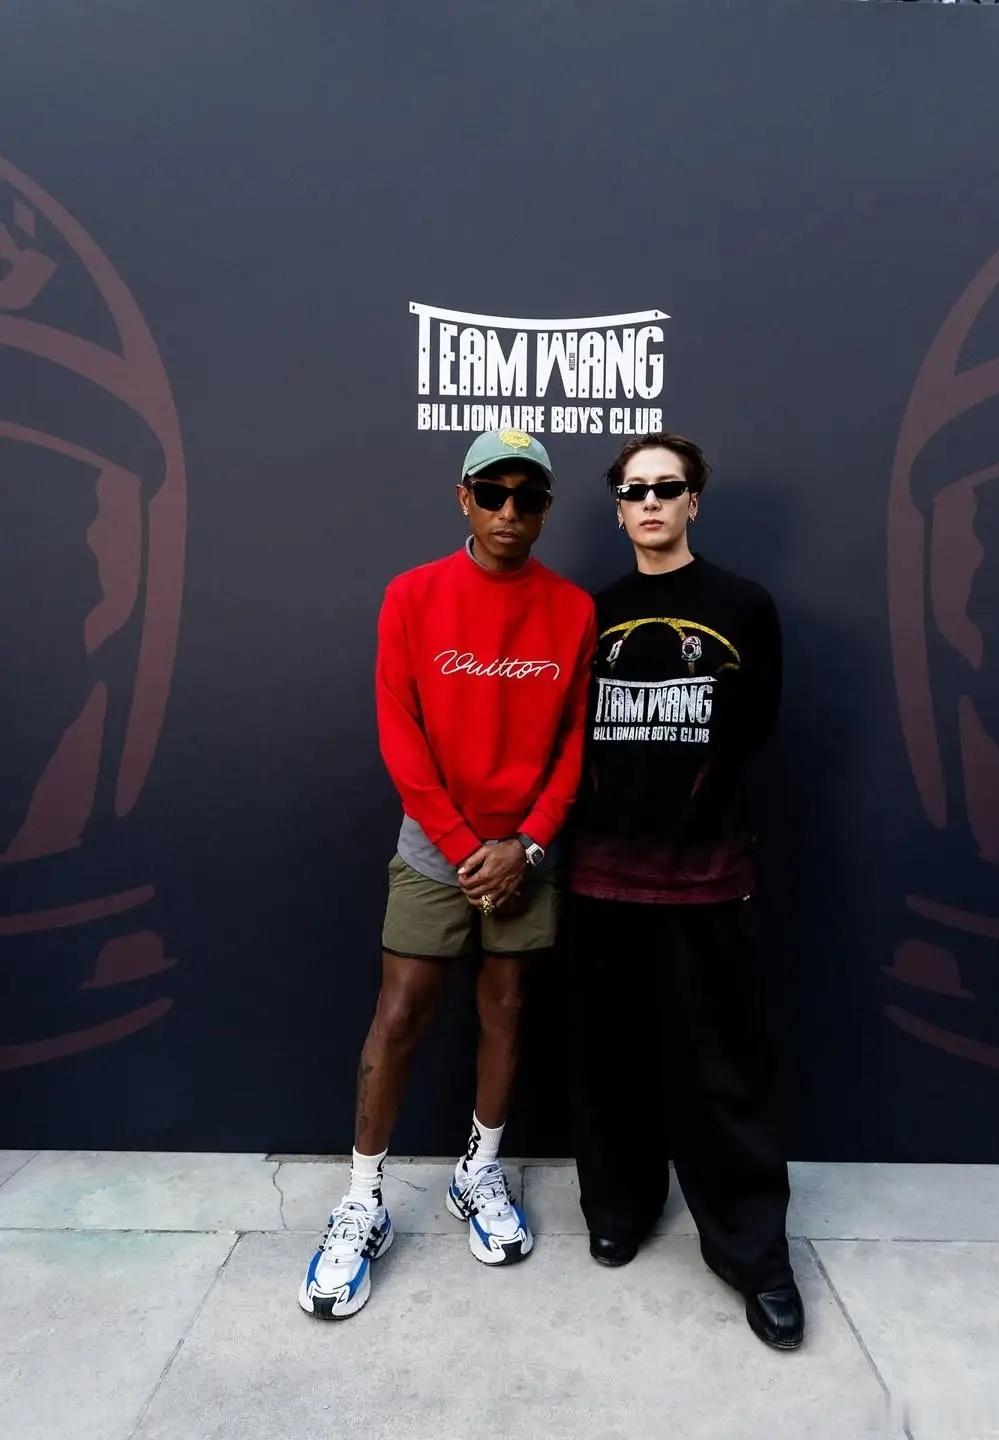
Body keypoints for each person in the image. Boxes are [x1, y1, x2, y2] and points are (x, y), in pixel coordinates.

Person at [298, 428, 595, 1320]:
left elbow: (575, 745)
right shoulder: (412, 595)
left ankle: (479, 1172)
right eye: (493, 493)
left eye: (528, 497)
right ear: (463, 497)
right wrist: (467, 845)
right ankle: (363, 1200)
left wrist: (526, 844)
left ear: (545, 509)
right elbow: (400, 733)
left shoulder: (573, 609)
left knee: (506, 1012)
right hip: (439, 850)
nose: (510, 511)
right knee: (398, 1018)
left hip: (527, 853)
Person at [568, 431, 805, 1350]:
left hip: (708, 876)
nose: (651, 503)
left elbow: (758, 727)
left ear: (694, 501)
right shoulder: (592, 613)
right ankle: (618, 1208)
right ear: (619, 507)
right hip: (602, 877)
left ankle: (754, 1254)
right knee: (610, 1060)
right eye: (635, 490)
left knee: (723, 1071)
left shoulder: (744, 605)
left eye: (667, 487)